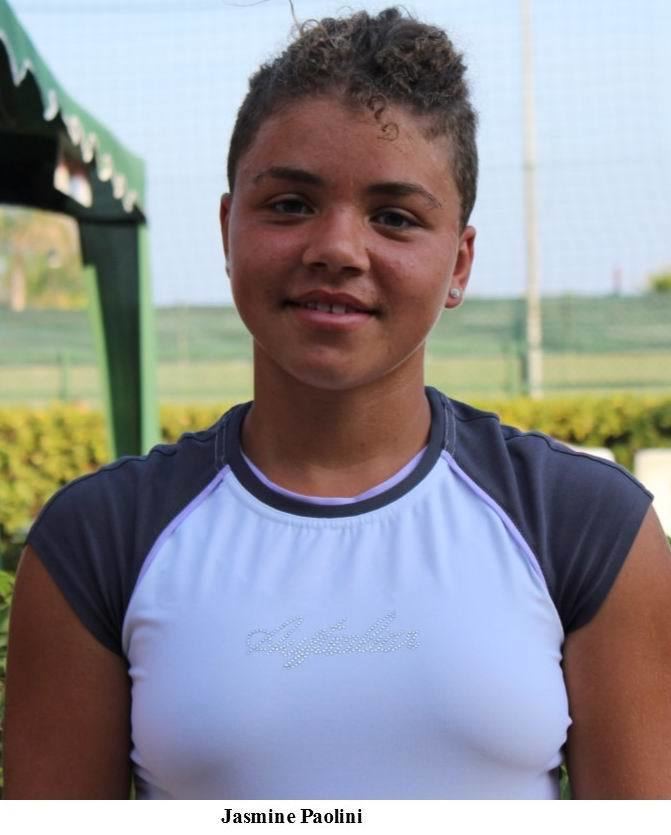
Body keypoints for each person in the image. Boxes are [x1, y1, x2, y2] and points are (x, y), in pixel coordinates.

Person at [4, 7, 671, 800]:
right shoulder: (96, 542)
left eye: (393, 217)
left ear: (458, 261)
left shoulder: (587, 526)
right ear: (227, 230)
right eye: (289, 204)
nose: (336, 249)